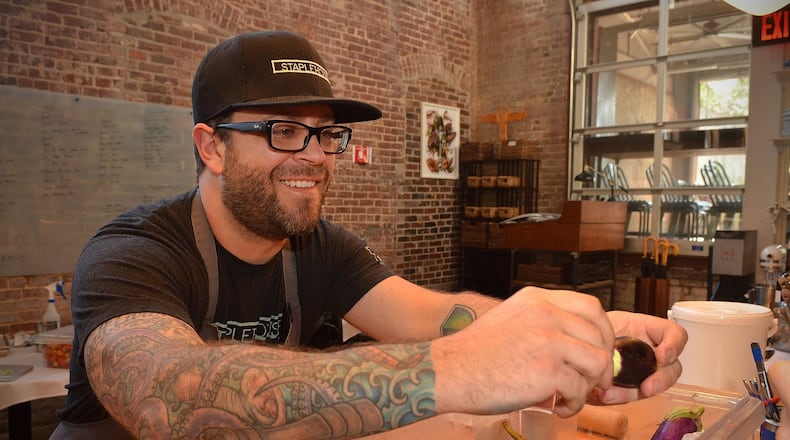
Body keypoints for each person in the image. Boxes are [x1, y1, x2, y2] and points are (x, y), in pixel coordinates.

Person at [51, 29, 687, 439]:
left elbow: (437, 315)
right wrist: (461, 370)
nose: (315, 156)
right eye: (282, 130)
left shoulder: (320, 247)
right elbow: (168, 396)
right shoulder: (133, 253)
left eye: (326, 133)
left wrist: (570, 335)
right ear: (211, 146)